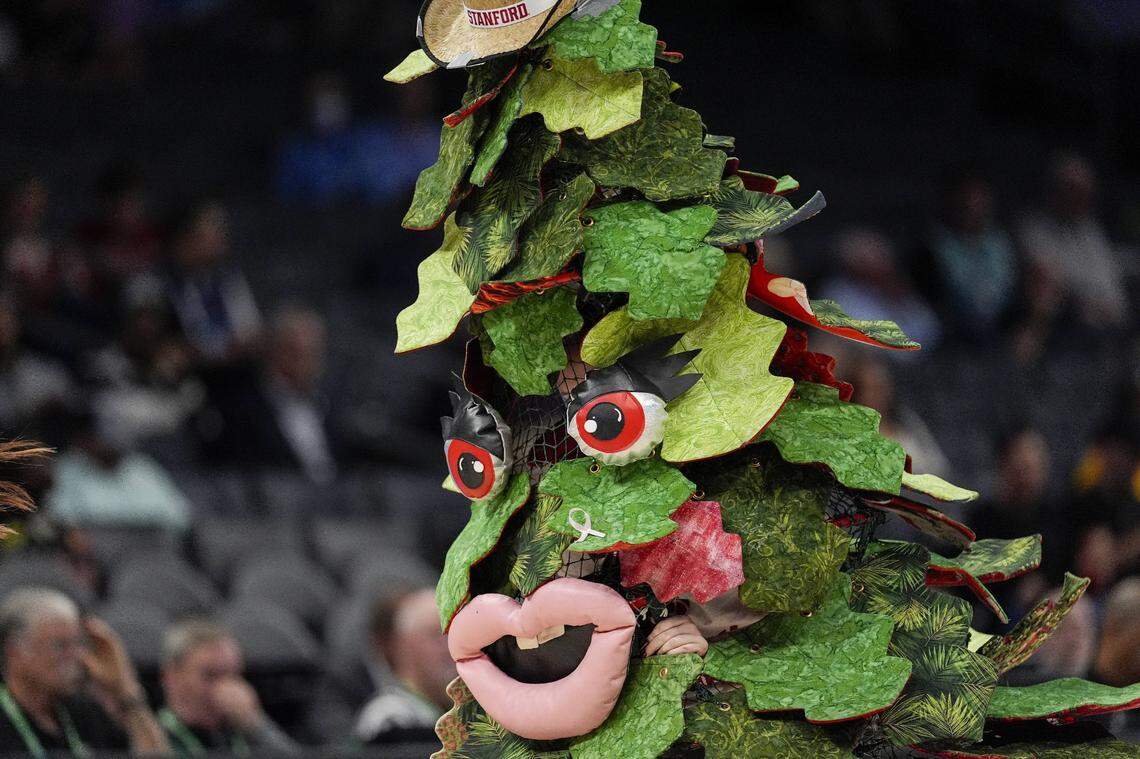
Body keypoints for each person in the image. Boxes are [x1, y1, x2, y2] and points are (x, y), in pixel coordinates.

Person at [0, 587, 169, 757]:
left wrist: (125, 688)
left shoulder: (83, 713)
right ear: (14, 651)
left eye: (78, 643)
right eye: (60, 646)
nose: (77, 657)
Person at [158, 619, 300, 757]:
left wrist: (256, 725)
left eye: (233, 675)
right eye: (211, 675)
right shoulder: (156, 736)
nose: (225, 688)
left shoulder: (247, 735)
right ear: (172, 677)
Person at [353, 588, 455, 745]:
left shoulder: (463, 711)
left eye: (454, 635)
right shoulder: (389, 718)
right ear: (406, 648)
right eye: (436, 636)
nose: (450, 648)